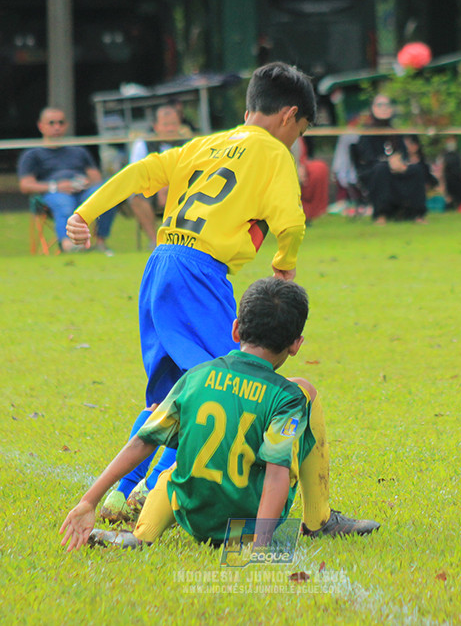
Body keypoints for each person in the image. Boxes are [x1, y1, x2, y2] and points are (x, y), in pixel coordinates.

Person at [65, 62, 314, 523]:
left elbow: (137, 174)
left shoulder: (203, 144)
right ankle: (153, 489)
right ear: (289, 116)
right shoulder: (275, 154)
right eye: (299, 132)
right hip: (200, 273)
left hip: (160, 266)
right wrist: (284, 266)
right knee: (225, 388)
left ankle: (121, 494)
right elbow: (291, 221)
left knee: (167, 396)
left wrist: (87, 211)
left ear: (247, 108)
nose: (294, 141)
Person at [58, 277, 380, 550]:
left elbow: (142, 442)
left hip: (194, 519)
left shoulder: (195, 377)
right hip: (246, 529)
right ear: (296, 345)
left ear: (236, 329)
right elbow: (277, 473)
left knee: (172, 474)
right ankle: (318, 519)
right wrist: (262, 546)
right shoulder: (286, 397)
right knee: (306, 391)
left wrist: (89, 502)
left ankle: (140, 537)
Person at [17, 107, 115, 254]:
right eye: (51, 123)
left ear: (66, 126)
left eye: (60, 123)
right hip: (53, 194)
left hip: (83, 192)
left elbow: (96, 178)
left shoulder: (79, 151)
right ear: (41, 126)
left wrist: (84, 182)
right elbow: (25, 185)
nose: (57, 127)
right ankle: (68, 245)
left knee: (108, 193)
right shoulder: (32, 155)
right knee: (64, 203)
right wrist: (57, 186)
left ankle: (100, 242)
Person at [127, 104, 185, 245]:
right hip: (151, 190)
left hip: (183, 190)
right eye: (166, 125)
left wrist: (172, 187)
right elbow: (136, 174)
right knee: (136, 198)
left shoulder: (189, 144)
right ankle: (156, 242)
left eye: (174, 124)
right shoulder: (142, 145)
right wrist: (159, 186)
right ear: (156, 126)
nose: (170, 129)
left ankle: (184, 241)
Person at [291, 136, 329, 222]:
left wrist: (302, 166)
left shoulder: (297, 137)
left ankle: (315, 213)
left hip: (299, 165)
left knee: (319, 168)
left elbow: (301, 157)